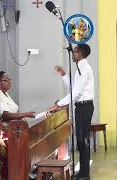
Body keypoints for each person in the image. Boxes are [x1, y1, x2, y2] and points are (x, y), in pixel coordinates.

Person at [48, 44, 94, 180]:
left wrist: (58, 105)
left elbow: (76, 92)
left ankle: (84, 174)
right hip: (82, 107)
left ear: (80, 53)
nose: (72, 54)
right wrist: (63, 75)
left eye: (74, 52)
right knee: (81, 140)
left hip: (84, 107)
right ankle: (84, 173)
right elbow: (75, 87)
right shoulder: (81, 67)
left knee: (82, 141)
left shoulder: (82, 68)